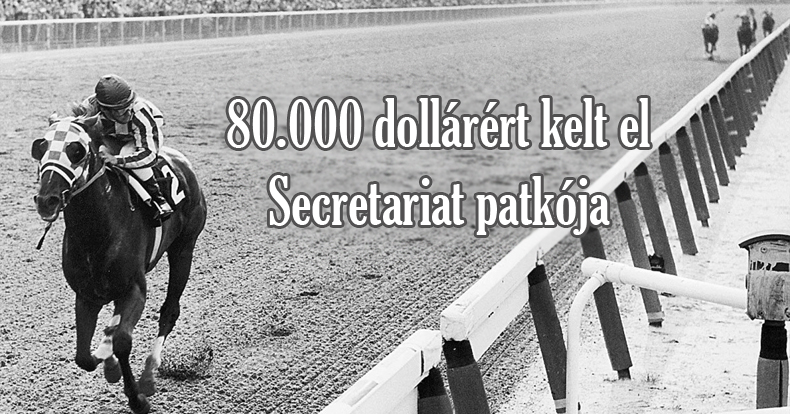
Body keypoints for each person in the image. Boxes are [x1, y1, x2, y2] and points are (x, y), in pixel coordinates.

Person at [72, 74, 173, 220]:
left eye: (128, 105)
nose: (126, 112)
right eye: (119, 109)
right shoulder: (90, 108)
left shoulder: (140, 112)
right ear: (104, 108)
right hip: (111, 135)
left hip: (140, 135)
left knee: (126, 151)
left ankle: (158, 199)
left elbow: (149, 155)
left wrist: (117, 160)